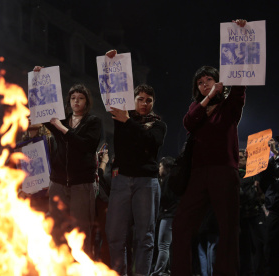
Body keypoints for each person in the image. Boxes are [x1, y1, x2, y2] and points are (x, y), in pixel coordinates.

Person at [172, 19, 247, 276]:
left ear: (220, 82)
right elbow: (188, 122)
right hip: (198, 174)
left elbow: (239, 85)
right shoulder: (198, 110)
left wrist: (240, 34)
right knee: (181, 224)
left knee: (228, 228)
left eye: (210, 80)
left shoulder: (230, 108)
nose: (206, 84)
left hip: (224, 172)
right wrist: (206, 98)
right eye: (201, 82)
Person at [105, 49, 167, 276]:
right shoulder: (120, 118)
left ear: (153, 104)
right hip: (122, 180)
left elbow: (152, 141)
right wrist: (111, 64)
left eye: (149, 100)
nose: (144, 103)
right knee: (114, 235)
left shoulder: (158, 124)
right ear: (133, 101)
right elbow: (112, 92)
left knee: (145, 236)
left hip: (147, 182)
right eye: (140, 99)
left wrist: (129, 122)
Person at [33, 66, 102, 256]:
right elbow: (41, 110)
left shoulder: (93, 122)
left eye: (80, 98)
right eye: (73, 98)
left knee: (82, 233)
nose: (76, 101)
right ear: (69, 101)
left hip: (81, 184)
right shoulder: (60, 120)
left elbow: (86, 146)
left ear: (86, 101)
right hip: (58, 184)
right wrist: (39, 79)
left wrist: (62, 129)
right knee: (57, 231)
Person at [150, 157, 177, 276]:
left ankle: (158, 271)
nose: (159, 169)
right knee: (167, 245)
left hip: (168, 215)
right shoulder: (174, 179)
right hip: (171, 214)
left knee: (163, 245)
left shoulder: (168, 180)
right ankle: (167, 269)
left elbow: (164, 198)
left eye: (160, 166)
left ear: (166, 168)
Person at [259, 137, 279, 276]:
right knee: (270, 245)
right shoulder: (272, 162)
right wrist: (268, 154)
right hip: (274, 210)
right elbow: (264, 178)